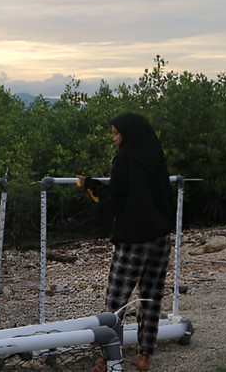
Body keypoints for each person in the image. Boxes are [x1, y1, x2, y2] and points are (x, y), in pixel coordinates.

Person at [79, 113, 175, 372]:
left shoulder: (125, 159)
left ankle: (107, 358)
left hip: (134, 239)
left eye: (117, 133)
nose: (115, 137)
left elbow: (116, 198)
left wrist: (92, 187)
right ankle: (144, 355)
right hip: (161, 238)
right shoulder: (155, 154)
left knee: (117, 300)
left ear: (128, 134)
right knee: (151, 298)